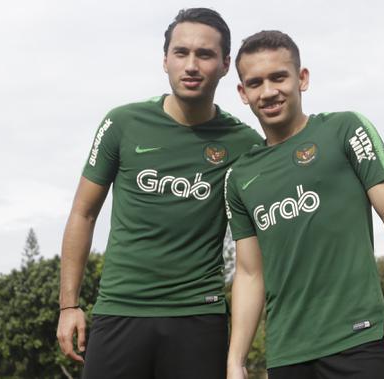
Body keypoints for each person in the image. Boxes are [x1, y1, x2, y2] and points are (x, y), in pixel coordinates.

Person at [56, 8, 262, 379]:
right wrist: (68, 306)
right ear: (165, 60)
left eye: (205, 54)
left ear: (226, 64)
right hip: (120, 310)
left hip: (198, 315)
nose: (192, 65)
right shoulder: (122, 123)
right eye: (181, 53)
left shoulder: (245, 144)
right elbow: (83, 213)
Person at [225, 30, 384, 379]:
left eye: (279, 77)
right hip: (287, 355)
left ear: (302, 79)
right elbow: (248, 272)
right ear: (243, 93)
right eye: (255, 82)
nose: (269, 91)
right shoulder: (239, 176)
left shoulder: (345, 130)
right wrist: (235, 359)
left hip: (359, 340)